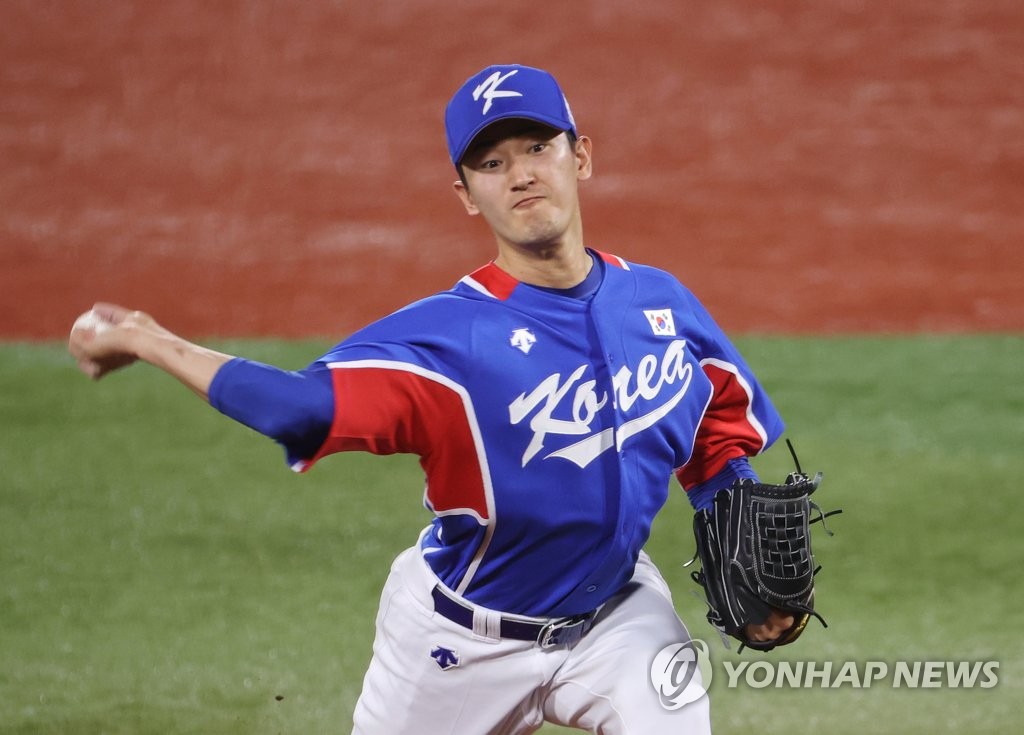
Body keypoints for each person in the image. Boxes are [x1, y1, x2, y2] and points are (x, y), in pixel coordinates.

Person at [69, 64, 796, 734]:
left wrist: (743, 539)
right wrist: (149, 338)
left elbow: (714, 441)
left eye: (537, 148)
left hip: (616, 619)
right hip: (456, 642)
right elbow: (300, 409)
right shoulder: (450, 341)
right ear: (466, 195)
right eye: (491, 163)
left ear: (581, 156)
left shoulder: (661, 305)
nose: (520, 175)